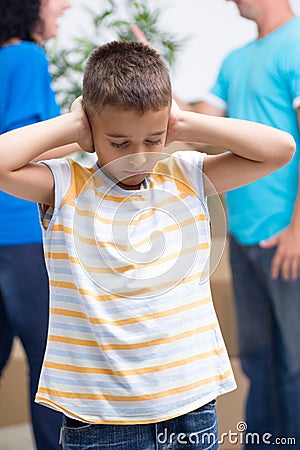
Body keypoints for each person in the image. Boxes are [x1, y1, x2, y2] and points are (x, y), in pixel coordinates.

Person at [0, 40, 294, 450]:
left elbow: (280, 149)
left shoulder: (187, 176)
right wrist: (74, 126)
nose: (138, 157)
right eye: (120, 142)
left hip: (191, 410)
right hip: (100, 422)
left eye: (154, 140)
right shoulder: (65, 185)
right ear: (92, 131)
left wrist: (185, 123)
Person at [167, 0, 300, 447]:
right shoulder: (235, 60)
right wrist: (159, 85)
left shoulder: (296, 44)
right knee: (259, 363)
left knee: (296, 367)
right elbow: (199, 128)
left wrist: (298, 231)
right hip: (244, 237)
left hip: (287, 238)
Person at [0, 1, 71, 449]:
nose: (64, 6)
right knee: (51, 367)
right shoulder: (27, 56)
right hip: (22, 234)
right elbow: (24, 147)